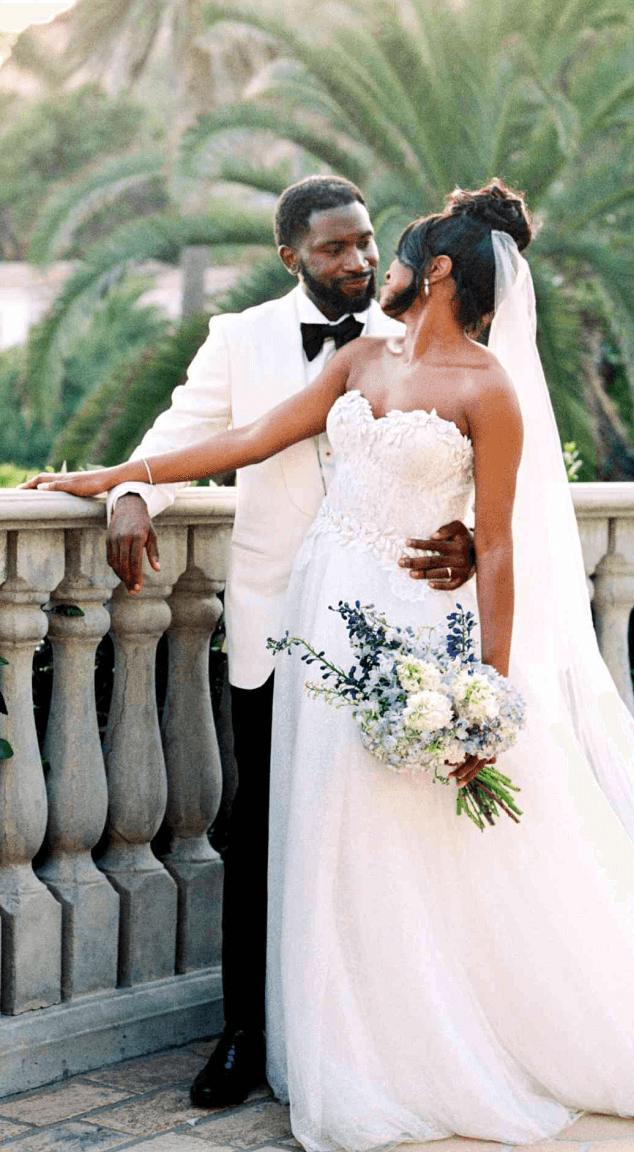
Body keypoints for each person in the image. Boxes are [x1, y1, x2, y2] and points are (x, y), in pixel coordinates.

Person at [23, 180, 634, 1149]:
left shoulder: (489, 389)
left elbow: (496, 544)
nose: (380, 268)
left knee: (403, 839)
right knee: (328, 837)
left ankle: (418, 1049)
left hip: (412, 629)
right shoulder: (360, 359)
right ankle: (332, 1035)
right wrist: (120, 478)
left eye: (394, 251)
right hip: (322, 625)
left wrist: (485, 695)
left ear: (437, 272)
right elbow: (250, 435)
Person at [99, 175, 474, 1108]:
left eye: (363, 242)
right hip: (276, 629)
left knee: (382, 832)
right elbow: (189, 433)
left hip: (386, 629)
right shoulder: (241, 339)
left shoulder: (415, 339)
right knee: (261, 834)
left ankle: (376, 1033)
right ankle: (245, 1035)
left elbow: (463, 458)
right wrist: (129, 493)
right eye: (333, 248)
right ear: (289, 257)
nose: (354, 260)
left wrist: (470, 534)